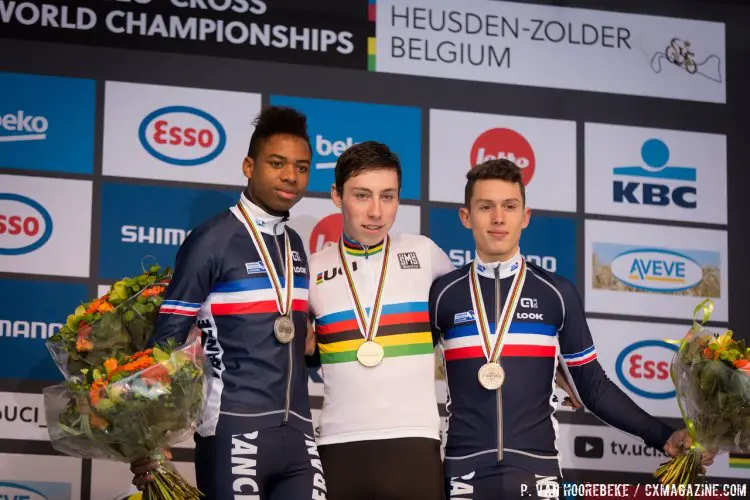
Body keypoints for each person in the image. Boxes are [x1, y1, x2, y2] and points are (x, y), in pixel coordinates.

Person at [429, 159, 715, 499]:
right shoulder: (444, 293)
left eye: (509, 206)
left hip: (537, 468)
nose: (498, 218)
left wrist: (662, 436)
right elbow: (403, 372)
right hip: (464, 468)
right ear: (466, 216)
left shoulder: (555, 293)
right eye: (485, 207)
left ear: (525, 215)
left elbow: (592, 386)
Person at [130, 106, 327, 499]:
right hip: (234, 431)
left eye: (302, 167)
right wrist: (147, 438)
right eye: (277, 163)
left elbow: (293, 345)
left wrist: (312, 349)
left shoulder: (295, 246)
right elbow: (164, 345)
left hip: (299, 433)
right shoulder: (211, 240)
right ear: (248, 166)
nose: (291, 176)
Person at [305, 141, 455, 499]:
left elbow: (470, 323)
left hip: (416, 441)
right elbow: (299, 350)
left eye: (387, 197)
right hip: (340, 443)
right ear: (336, 196)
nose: (376, 212)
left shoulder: (424, 253)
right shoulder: (313, 269)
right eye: (362, 196)